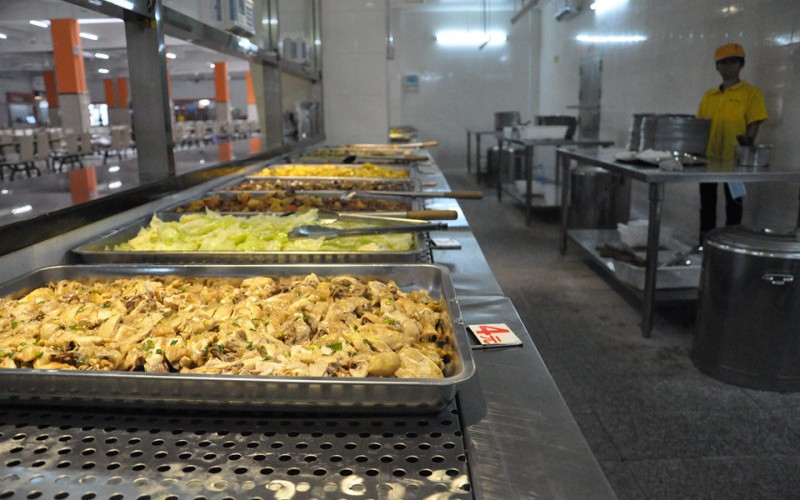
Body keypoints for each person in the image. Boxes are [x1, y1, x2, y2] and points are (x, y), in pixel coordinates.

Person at [696, 43, 768, 242]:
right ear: (717, 66)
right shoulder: (709, 96)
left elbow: (754, 123)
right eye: (723, 63)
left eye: (733, 62)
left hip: (735, 161)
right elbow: (699, 125)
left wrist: (746, 147)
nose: (728, 67)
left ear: (741, 65)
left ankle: (731, 245)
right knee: (707, 205)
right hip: (708, 159)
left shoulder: (751, 93)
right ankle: (705, 245)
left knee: (734, 205)